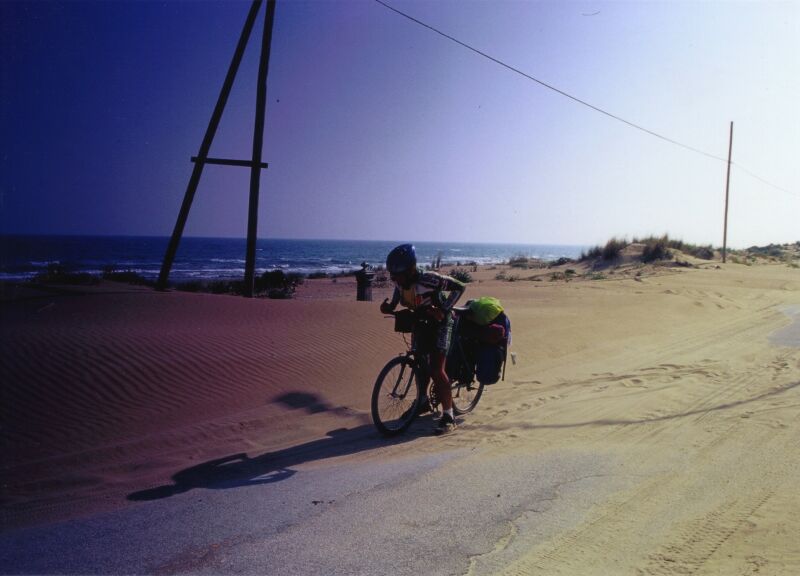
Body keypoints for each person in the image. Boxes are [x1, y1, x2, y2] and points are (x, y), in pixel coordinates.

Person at [380, 244, 465, 434]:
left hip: (441, 324)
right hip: (420, 322)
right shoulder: (400, 282)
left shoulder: (429, 279)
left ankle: (448, 416)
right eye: (392, 275)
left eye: (398, 275)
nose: (394, 279)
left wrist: (442, 310)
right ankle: (422, 402)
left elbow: (460, 287)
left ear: (410, 270)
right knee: (419, 363)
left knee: (436, 369)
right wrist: (390, 306)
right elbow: (398, 293)